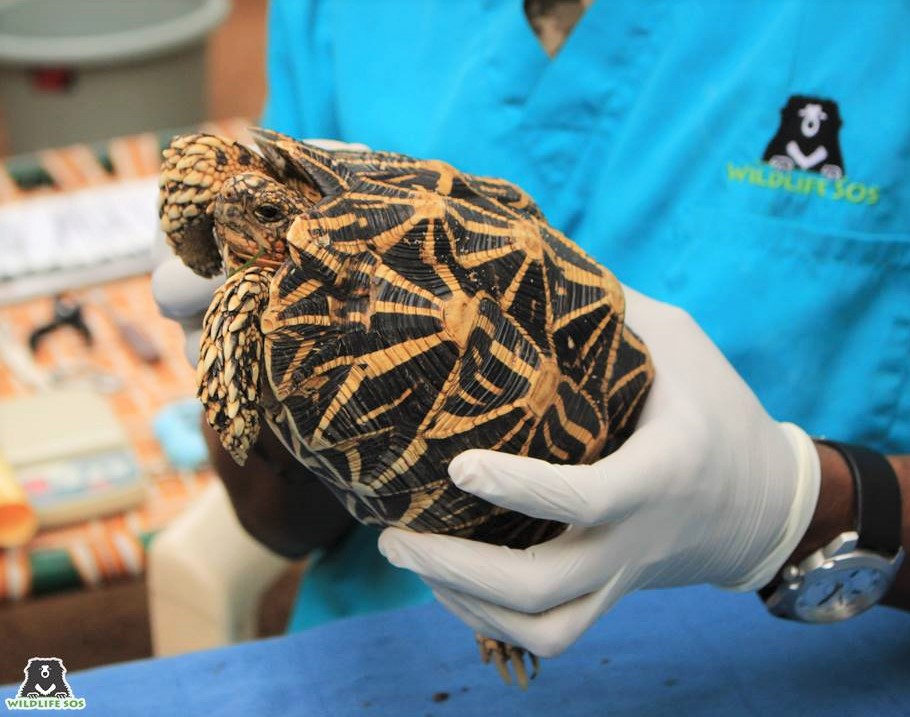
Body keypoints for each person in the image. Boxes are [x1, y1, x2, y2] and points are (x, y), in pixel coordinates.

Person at [156, 0, 909, 652]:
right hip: (389, 650)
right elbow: (272, 516)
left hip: (773, 661)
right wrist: (264, 374)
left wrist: (798, 507)